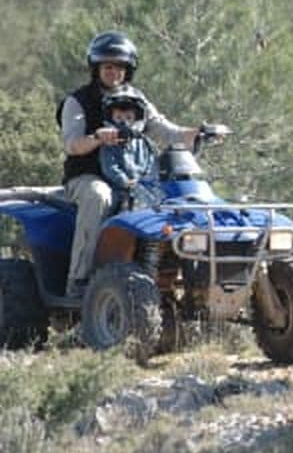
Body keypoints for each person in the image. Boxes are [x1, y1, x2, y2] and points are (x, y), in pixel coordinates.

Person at [57, 31, 199, 298]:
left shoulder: (137, 99)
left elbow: (166, 131)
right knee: (99, 196)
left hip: (136, 177)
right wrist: (97, 137)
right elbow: (72, 144)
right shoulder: (77, 101)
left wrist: (200, 132)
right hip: (88, 176)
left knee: (180, 201)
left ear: (128, 70)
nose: (114, 72)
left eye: (120, 67)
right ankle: (79, 281)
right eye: (107, 66)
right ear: (96, 67)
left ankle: (189, 280)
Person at [98, 86, 158, 211]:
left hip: (142, 187)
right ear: (111, 118)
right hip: (118, 189)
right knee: (110, 205)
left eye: (128, 118)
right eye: (119, 118)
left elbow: (152, 162)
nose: (124, 122)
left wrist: (147, 179)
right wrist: (124, 181)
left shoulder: (144, 142)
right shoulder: (109, 143)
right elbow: (109, 166)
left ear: (136, 119)